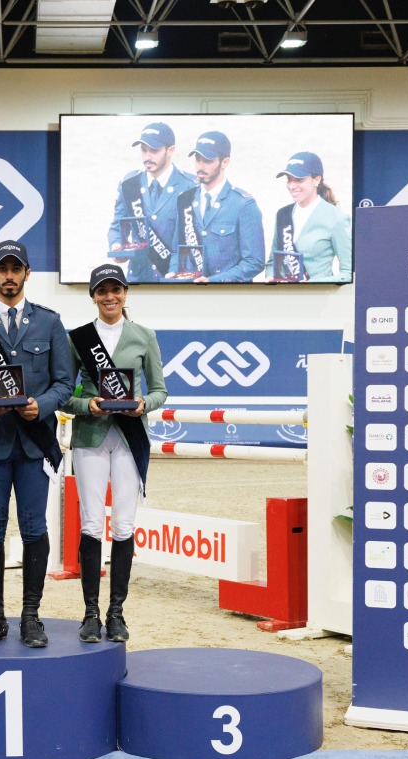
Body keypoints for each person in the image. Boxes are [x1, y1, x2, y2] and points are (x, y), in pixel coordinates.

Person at [0, 240, 74, 648]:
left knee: (35, 528)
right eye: (2, 269)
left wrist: (44, 406)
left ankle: (31, 616)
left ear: (27, 273)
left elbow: (64, 382)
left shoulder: (50, 322)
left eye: (15, 269)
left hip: (34, 445)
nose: (9, 276)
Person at [62, 265, 167, 643]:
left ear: (125, 292)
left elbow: (160, 390)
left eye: (116, 290)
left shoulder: (144, 336)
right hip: (90, 436)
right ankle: (90, 612)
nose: (110, 297)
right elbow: (64, 394)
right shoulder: (78, 339)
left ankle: (116, 612)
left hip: (129, 437)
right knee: (91, 524)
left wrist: (143, 404)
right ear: (93, 295)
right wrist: (86, 405)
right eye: (102, 291)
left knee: (124, 525)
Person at [107, 121, 196, 284]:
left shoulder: (191, 186)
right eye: (143, 150)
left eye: (154, 150)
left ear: (170, 150)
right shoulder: (129, 184)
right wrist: (117, 245)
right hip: (138, 278)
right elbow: (117, 226)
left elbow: (196, 241)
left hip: (175, 279)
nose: (147, 156)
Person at [172, 131, 265, 282]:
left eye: (208, 161)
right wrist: (173, 271)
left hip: (228, 292)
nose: (200, 166)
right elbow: (176, 250)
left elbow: (254, 262)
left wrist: (213, 281)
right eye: (197, 159)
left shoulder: (243, 204)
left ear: (225, 162)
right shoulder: (185, 199)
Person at [267, 151, 352, 282]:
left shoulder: (336, 218)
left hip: (317, 293)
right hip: (284, 293)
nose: (291, 186)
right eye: (289, 179)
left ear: (317, 180)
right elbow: (273, 262)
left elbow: (348, 273)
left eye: (299, 180)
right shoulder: (283, 214)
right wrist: (270, 278)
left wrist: (309, 284)